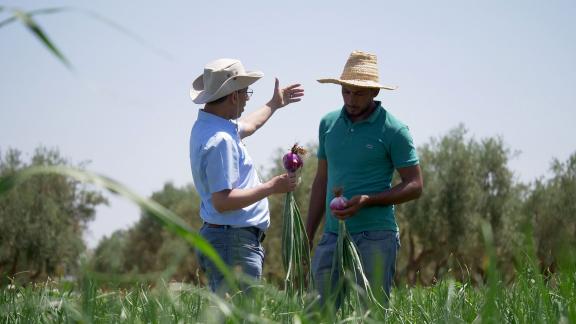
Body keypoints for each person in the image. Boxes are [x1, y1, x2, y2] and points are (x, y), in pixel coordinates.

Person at [306, 51, 423, 304]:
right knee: (316, 313)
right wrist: (307, 236)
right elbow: (321, 180)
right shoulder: (328, 124)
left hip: (376, 237)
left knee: (370, 314)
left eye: (359, 93)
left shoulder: (394, 130)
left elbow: (415, 185)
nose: (351, 99)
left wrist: (368, 200)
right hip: (332, 235)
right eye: (346, 91)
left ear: (374, 92)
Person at [189, 58, 303, 293]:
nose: (247, 99)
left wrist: (274, 104)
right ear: (233, 96)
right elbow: (223, 201)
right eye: (246, 93)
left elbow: (248, 124)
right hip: (233, 243)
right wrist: (272, 186)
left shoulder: (208, 126)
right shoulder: (220, 140)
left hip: (227, 239)